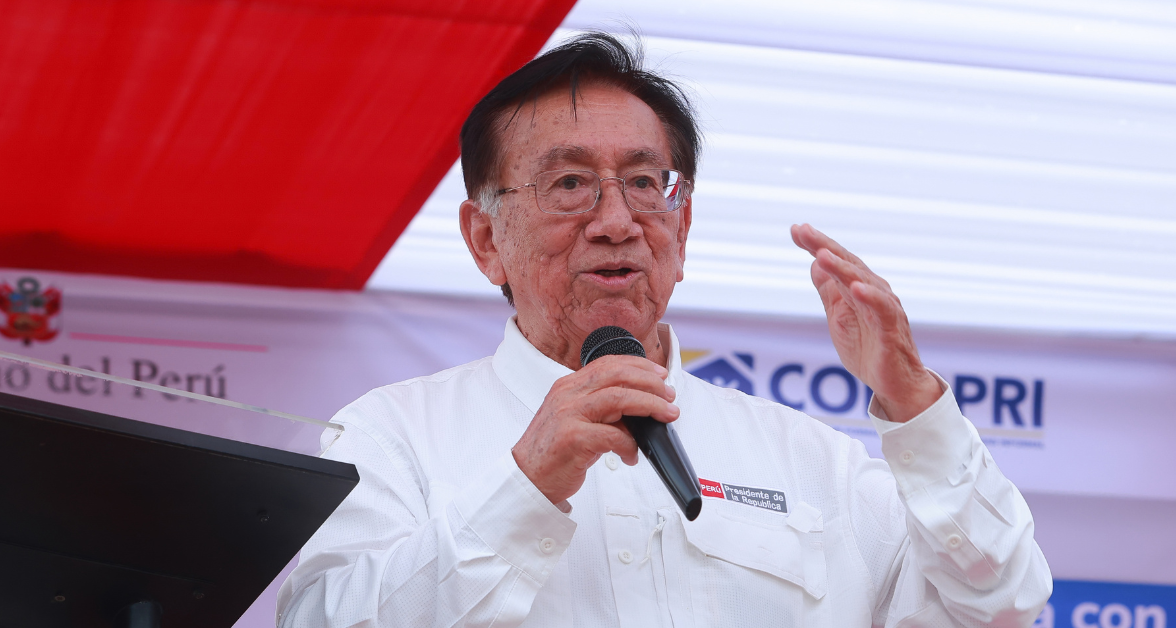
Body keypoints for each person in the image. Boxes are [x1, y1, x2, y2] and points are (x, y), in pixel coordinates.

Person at [276, 32, 1051, 627]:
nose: (617, 221)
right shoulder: (393, 438)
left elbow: (1004, 610)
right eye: (570, 183)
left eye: (646, 183)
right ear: (485, 240)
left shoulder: (813, 461)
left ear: (682, 228)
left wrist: (914, 404)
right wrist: (526, 484)